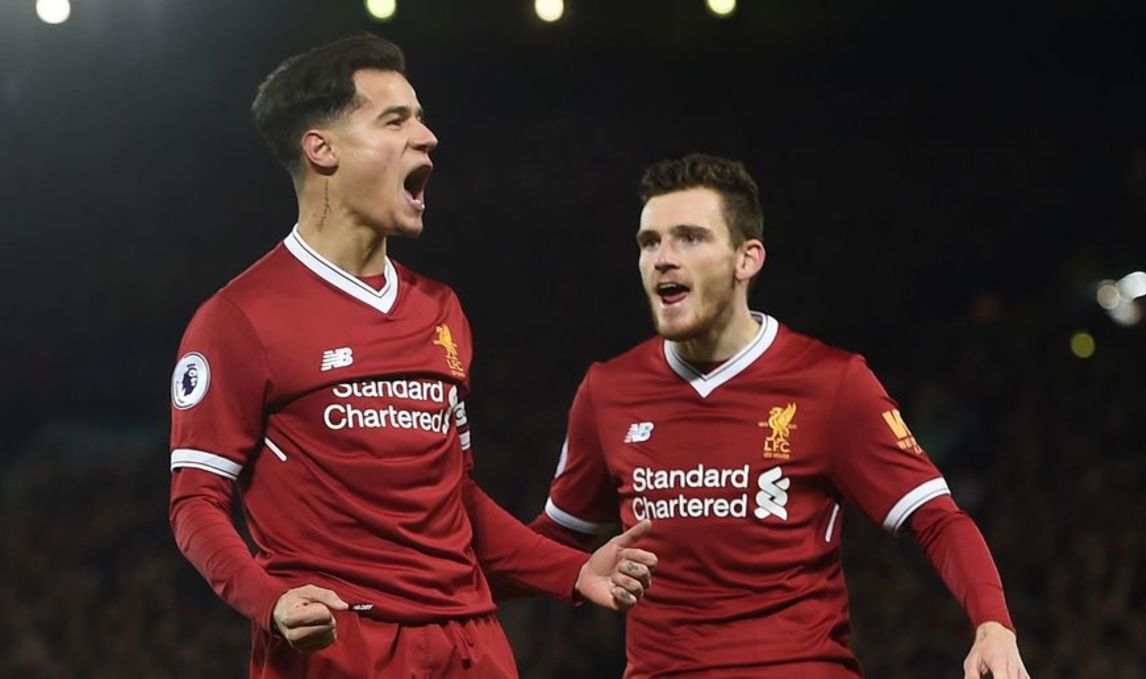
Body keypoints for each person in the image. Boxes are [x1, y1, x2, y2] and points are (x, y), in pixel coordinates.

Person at [167, 34, 656, 678]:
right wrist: (271, 600)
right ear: (322, 149)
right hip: (343, 647)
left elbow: (457, 500)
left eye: (420, 120)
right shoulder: (239, 318)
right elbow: (195, 502)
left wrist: (572, 570)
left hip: (473, 646)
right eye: (395, 121)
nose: (427, 138)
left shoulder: (440, 309)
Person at [525, 153, 1030, 678]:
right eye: (649, 242)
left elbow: (936, 518)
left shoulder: (830, 383)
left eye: (689, 238)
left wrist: (992, 623)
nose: (662, 258)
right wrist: (463, 553)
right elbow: (552, 542)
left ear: (747, 259)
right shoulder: (608, 391)